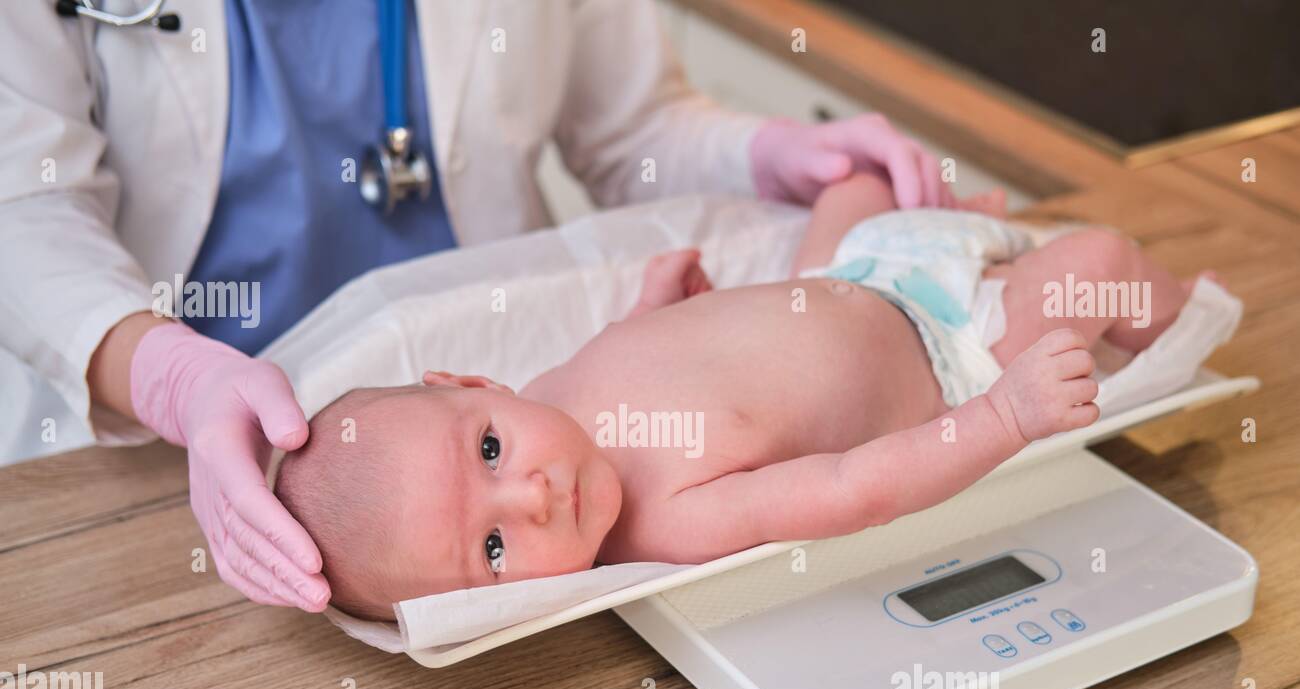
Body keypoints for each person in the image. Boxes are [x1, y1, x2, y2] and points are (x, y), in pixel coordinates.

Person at [0, 0, 956, 613]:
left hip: (489, 363)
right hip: (152, 447)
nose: (532, 496)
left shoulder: (565, 429)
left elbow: (632, 128)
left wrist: (764, 154)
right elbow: (22, 203)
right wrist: (170, 375)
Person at [271, 172, 1217, 621]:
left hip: (850, 272)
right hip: (950, 349)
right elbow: (855, 486)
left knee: (853, 186)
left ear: (473, 383)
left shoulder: (553, 391)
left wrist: (661, 313)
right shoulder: (667, 522)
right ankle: (1175, 321)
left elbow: (654, 358)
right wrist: (1004, 413)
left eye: (487, 453)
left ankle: (959, 223)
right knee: (1097, 268)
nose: (533, 495)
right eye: (493, 548)